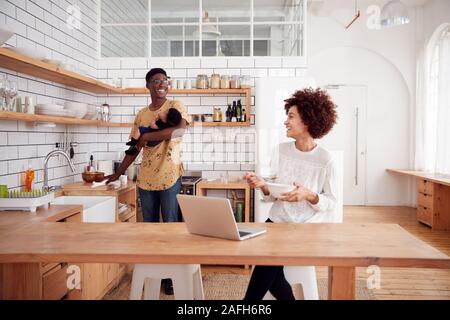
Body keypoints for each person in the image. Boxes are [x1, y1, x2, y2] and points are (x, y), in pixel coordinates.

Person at [243, 87, 338, 300]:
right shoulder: (282, 150)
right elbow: (276, 192)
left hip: (304, 229)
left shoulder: (325, 159)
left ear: (308, 120)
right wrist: (263, 185)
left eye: (291, 116)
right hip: (276, 221)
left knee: (266, 265)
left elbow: (331, 202)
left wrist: (309, 195)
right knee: (270, 272)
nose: (286, 121)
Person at [107, 68, 190, 295]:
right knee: (149, 230)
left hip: (170, 175)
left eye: (164, 80)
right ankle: (154, 272)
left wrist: (146, 137)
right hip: (146, 179)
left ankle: (171, 277)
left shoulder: (175, 106)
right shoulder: (142, 115)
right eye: (156, 81)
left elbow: (179, 131)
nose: (161, 84)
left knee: (171, 226)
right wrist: (118, 173)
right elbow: (134, 149)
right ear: (148, 86)